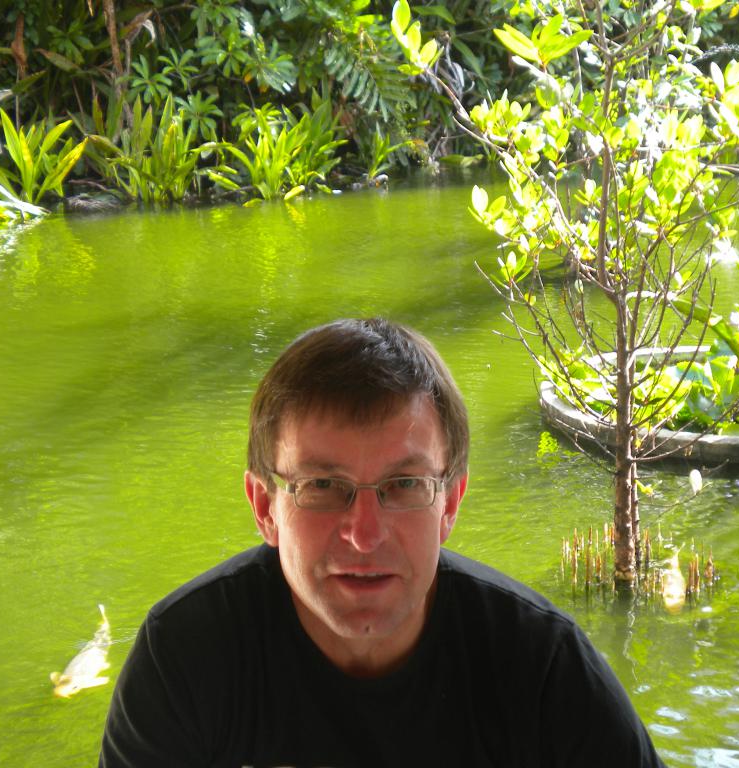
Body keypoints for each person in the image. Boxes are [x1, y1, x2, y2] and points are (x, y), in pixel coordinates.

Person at [99, 317, 666, 768]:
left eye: (404, 484)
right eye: (322, 485)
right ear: (265, 507)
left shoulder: (543, 668)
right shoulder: (185, 659)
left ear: (450, 503)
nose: (365, 535)